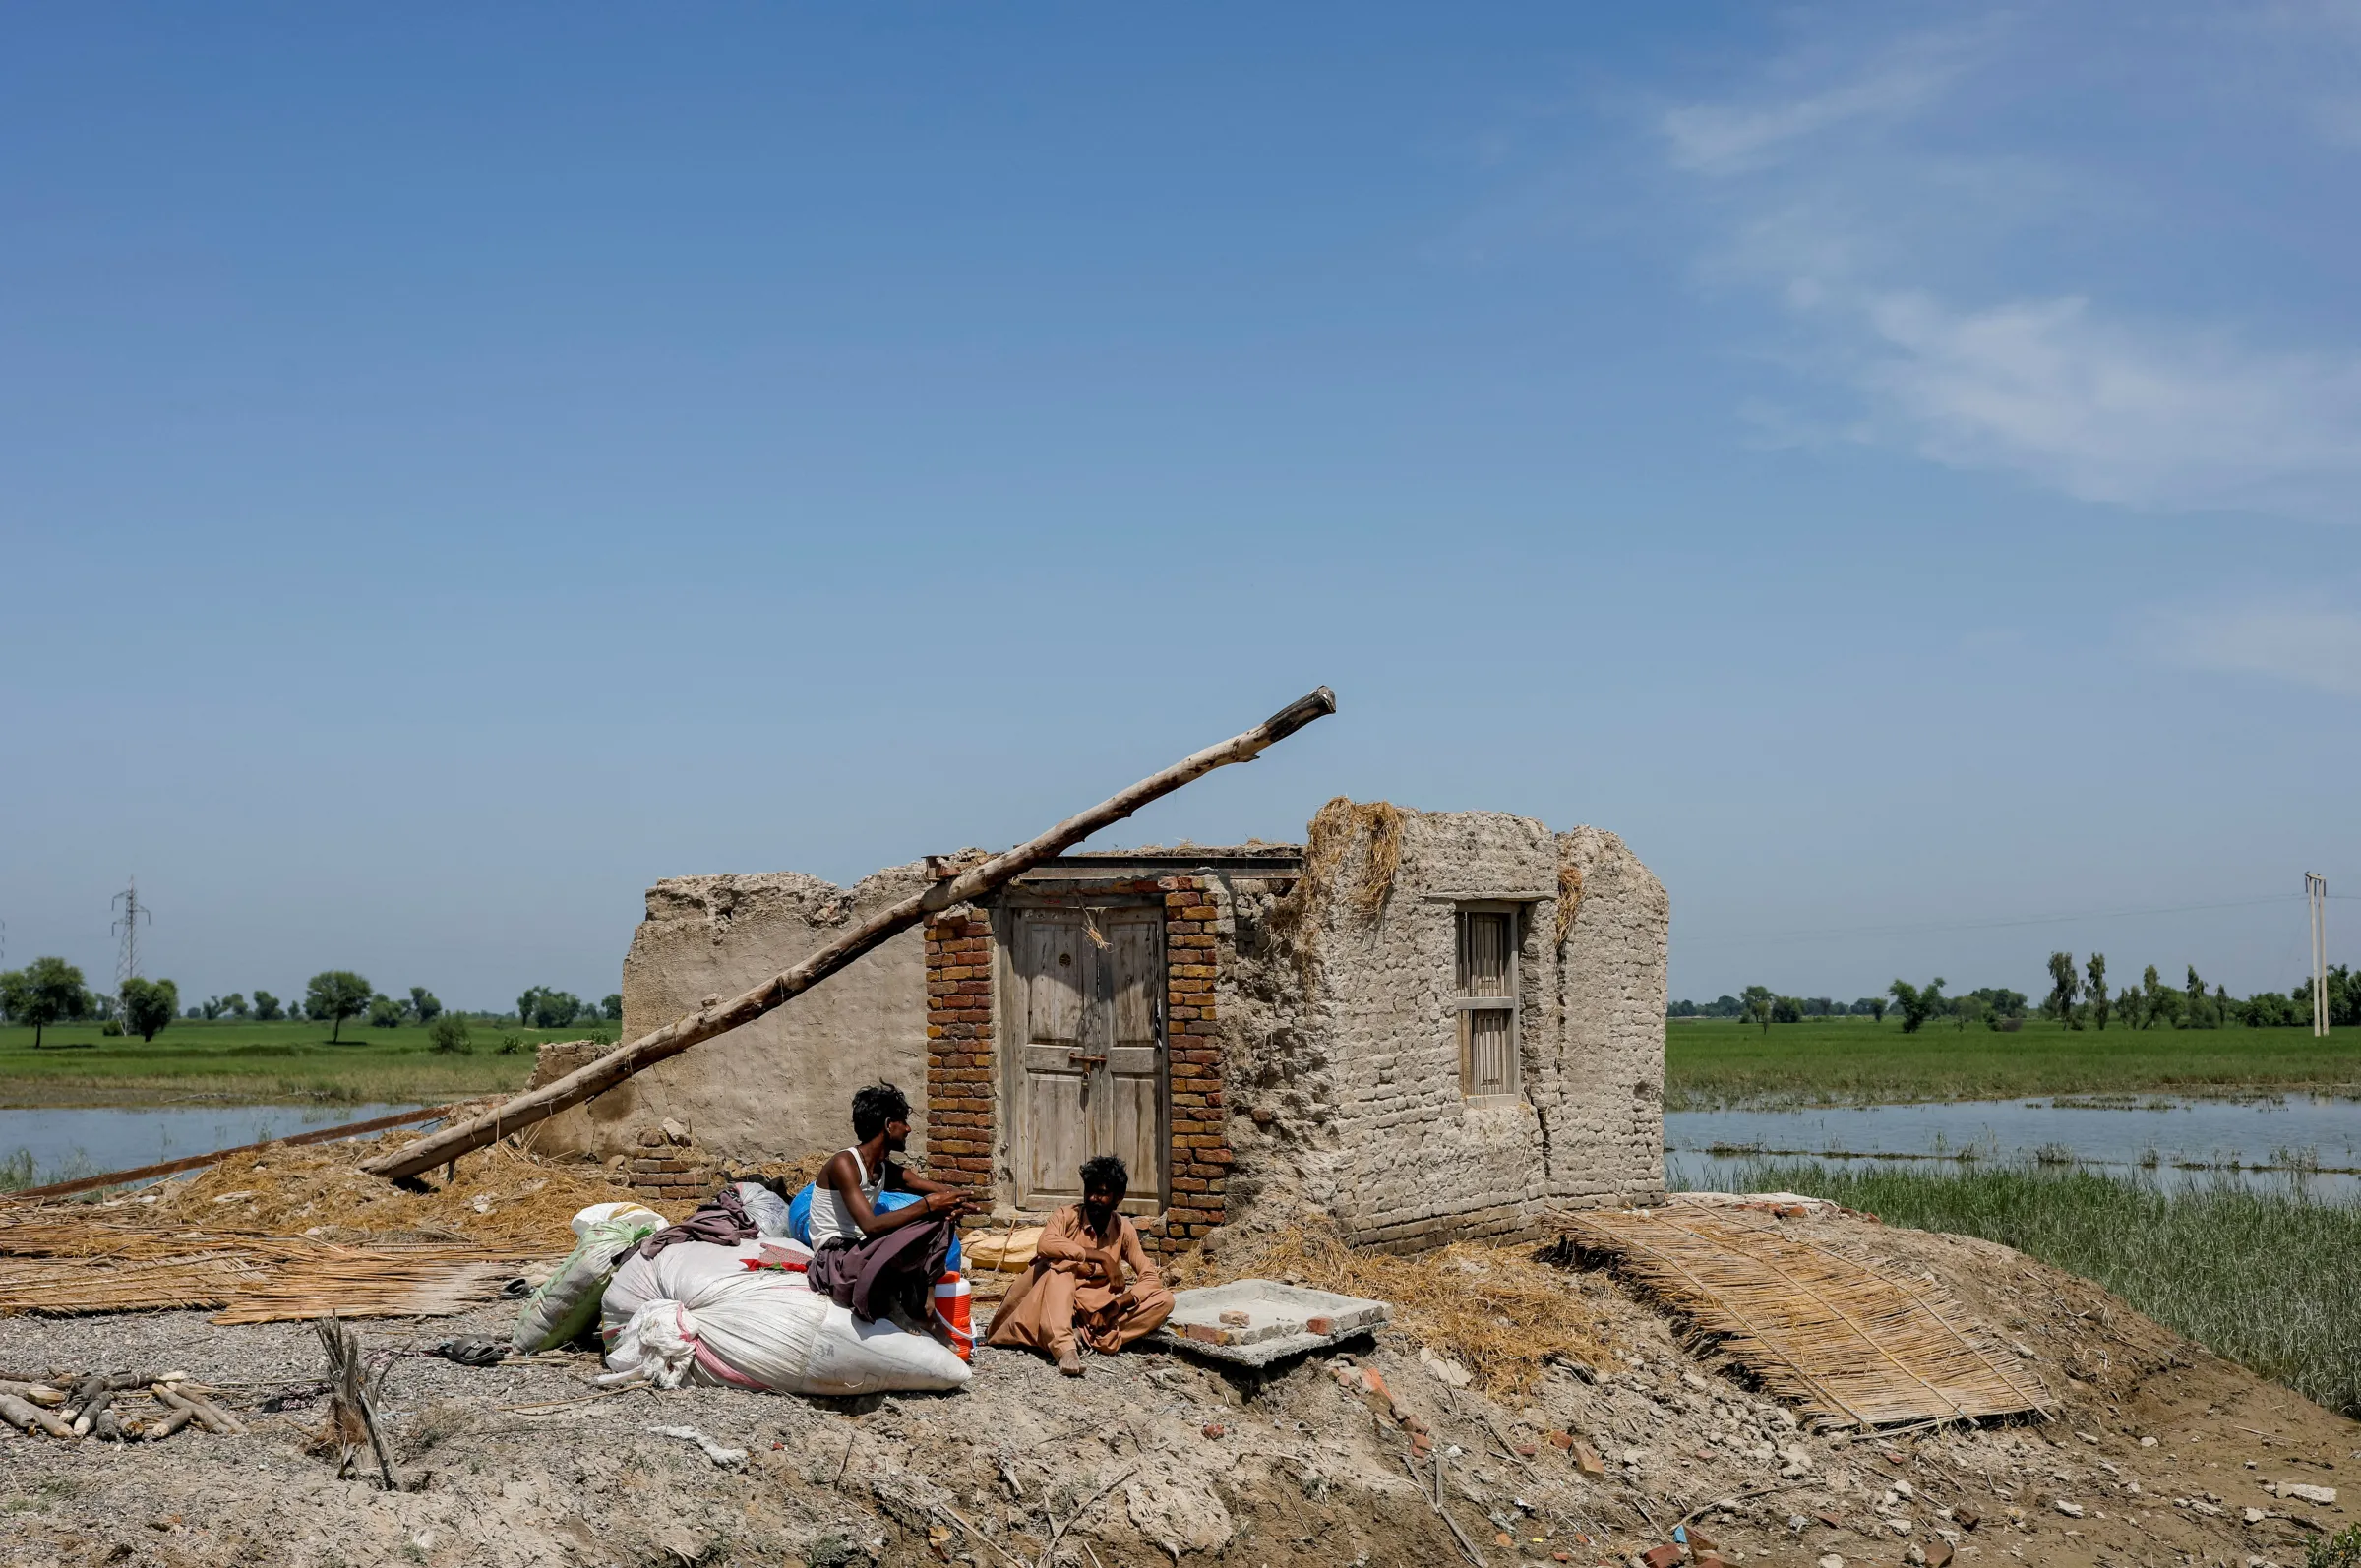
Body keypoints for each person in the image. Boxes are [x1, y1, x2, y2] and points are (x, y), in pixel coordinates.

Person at [986, 1154, 1173, 1376]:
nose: (1093, 1198)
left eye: (1102, 1193)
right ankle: (1065, 1348)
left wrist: (1117, 1305)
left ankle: (1083, 1335)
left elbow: (1150, 1277)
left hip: (1092, 1313)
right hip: (1051, 1302)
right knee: (1063, 1265)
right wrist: (1100, 1257)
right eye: (1089, 1191)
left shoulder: (1123, 1229)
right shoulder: (1066, 1216)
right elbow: (1045, 1244)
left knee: (1165, 1300)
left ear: (1118, 1197)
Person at [805, 1082, 974, 1324]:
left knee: (939, 1216)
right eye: (903, 1122)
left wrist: (956, 1200)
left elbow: (931, 1188)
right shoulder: (845, 1163)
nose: (908, 1129)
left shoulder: (883, 1169)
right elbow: (870, 1226)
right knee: (928, 1211)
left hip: (861, 1250)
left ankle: (926, 1296)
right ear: (887, 1125)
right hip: (836, 1260)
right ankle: (891, 1300)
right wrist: (927, 1205)